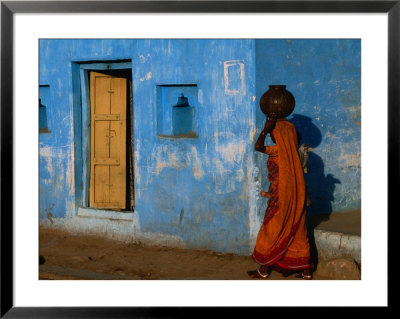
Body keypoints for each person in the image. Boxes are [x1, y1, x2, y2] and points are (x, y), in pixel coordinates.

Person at [247, 113, 313, 279]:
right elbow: (299, 177)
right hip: (296, 197)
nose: (271, 135)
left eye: (273, 133)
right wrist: (306, 196)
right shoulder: (294, 155)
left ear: (280, 135)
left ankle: (263, 270)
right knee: (297, 231)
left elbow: (258, 147)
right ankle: (306, 272)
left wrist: (265, 129)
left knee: (272, 231)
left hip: (281, 200)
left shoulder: (277, 151)